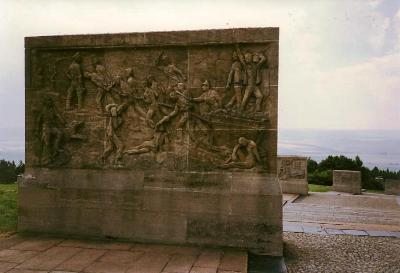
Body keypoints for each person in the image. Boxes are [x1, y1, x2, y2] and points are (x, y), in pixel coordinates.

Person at [236, 45, 266, 112]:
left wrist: (259, 55)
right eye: (245, 57)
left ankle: (257, 109)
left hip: (254, 86)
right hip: (249, 86)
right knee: (245, 100)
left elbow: (264, 59)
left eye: (248, 57)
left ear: (251, 57)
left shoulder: (256, 66)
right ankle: (240, 110)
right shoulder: (245, 66)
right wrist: (237, 48)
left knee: (260, 96)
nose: (246, 59)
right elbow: (241, 58)